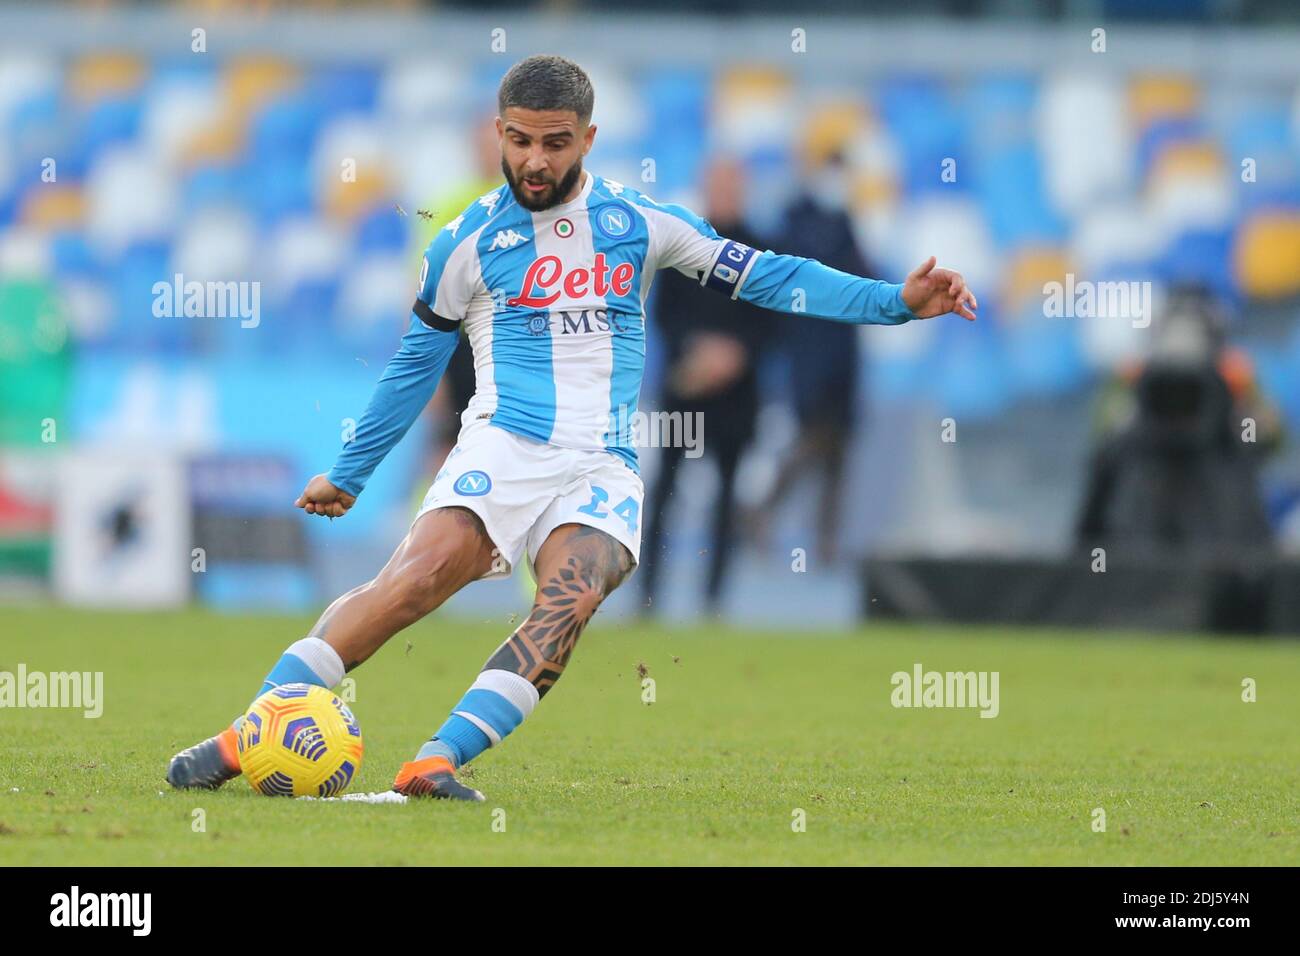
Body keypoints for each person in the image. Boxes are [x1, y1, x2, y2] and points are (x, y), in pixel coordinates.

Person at [166, 55, 977, 801]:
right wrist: (350, 470)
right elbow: (416, 363)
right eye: (519, 141)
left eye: (555, 143)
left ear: (588, 137)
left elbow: (766, 276)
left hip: (603, 465)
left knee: (570, 598)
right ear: (499, 134)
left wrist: (893, 302)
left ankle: (435, 761)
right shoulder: (466, 242)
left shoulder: (639, 223)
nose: (536, 161)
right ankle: (247, 737)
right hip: (503, 444)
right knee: (415, 581)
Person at [639, 157, 772, 616]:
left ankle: (713, 600)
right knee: (664, 494)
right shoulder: (683, 246)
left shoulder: (762, 252)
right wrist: (696, 353)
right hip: (686, 391)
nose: (725, 194)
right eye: (717, 184)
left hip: (737, 398)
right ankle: (648, 596)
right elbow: (663, 317)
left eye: (732, 185)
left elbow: (772, 321)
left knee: (727, 496)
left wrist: (735, 355)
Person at [748, 149, 875, 564]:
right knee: (812, 441)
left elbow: (863, 282)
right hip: (808, 356)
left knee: (837, 452)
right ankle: (762, 510)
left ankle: (825, 540)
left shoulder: (843, 222)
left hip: (843, 357)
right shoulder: (796, 221)